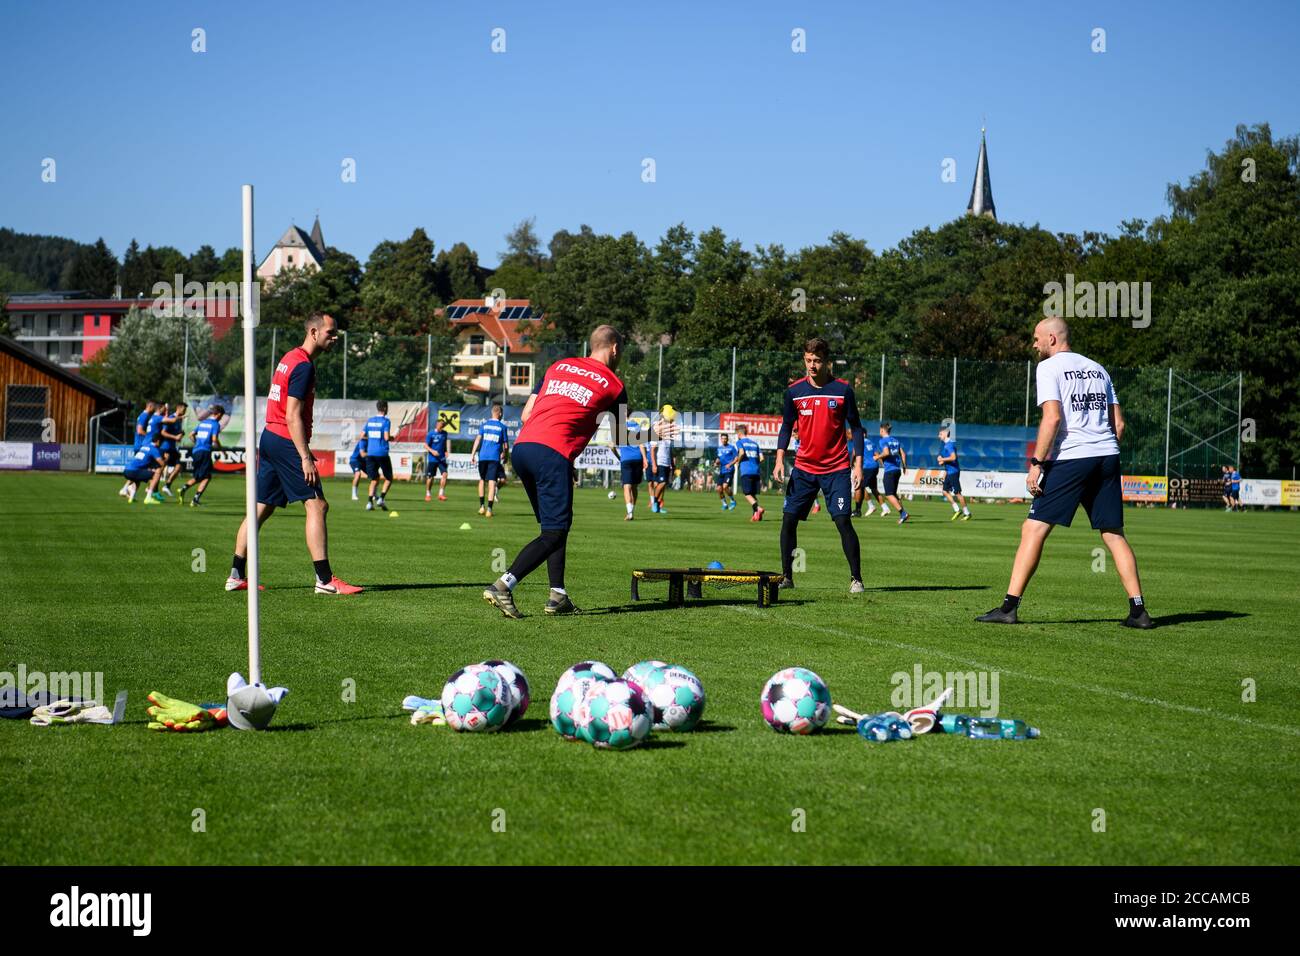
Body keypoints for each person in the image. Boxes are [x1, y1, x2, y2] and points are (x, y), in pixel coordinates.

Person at [977, 316, 1152, 628]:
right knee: (1113, 534)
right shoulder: (1099, 369)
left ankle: (1008, 607)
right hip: (1108, 455)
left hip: (1073, 458)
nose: (1034, 344)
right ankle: (1138, 611)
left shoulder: (1049, 367)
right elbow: (1120, 424)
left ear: (1052, 339)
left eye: (1036, 339)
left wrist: (1038, 464)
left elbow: (1053, 418)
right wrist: (1103, 447)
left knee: (1033, 529)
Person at [483, 325, 633, 618]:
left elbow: (527, 414)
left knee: (554, 527)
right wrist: (657, 433)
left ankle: (558, 595)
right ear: (614, 348)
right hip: (553, 454)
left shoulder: (559, 366)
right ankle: (503, 584)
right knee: (554, 532)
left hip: (524, 448)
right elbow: (623, 437)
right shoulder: (614, 384)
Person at [225, 313, 361, 596]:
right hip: (286, 440)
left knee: (261, 507)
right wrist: (305, 456)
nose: (335, 338)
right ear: (313, 332)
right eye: (330, 333)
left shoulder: (289, 358)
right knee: (317, 505)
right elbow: (292, 415)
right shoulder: (303, 366)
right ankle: (324, 580)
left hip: (270, 438)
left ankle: (236, 574)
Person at [772, 337, 866, 594]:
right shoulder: (794, 392)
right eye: (808, 360)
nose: (812, 365)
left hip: (836, 469)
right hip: (804, 469)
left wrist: (858, 464)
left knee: (843, 521)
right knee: (789, 519)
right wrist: (780, 458)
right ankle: (787, 576)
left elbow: (856, 428)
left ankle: (856, 578)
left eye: (817, 361)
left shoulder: (843, 390)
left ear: (827, 362)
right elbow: (786, 426)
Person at [178, 405, 224, 507]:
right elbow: (214, 440)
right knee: (207, 476)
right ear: (219, 414)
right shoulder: (215, 424)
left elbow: (191, 435)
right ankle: (194, 499)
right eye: (221, 417)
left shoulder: (203, 422)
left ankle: (184, 490)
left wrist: (197, 444)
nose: (221, 419)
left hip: (196, 451)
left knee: (199, 476)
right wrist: (221, 449)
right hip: (205, 452)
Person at [471, 404, 509, 517]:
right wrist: (506, 456)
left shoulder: (484, 425)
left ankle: (481, 507)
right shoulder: (502, 427)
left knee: (482, 480)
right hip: (494, 457)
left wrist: (472, 454)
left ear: (492, 412)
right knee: (492, 481)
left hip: (482, 456)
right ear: (500, 414)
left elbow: (478, 439)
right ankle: (489, 509)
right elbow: (506, 446)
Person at [120, 400, 157, 497]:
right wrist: (149, 436)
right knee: (143, 470)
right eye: (154, 407)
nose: (155, 409)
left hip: (140, 445)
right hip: (141, 445)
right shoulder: (144, 416)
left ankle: (126, 489)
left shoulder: (143, 415)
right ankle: (148, 490)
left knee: (139, 469)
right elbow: (140, 430)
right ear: (150, 406)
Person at [874, 422, 909, 523]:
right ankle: (903, 515)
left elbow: (886, 453)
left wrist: (877, 457)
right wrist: (904, 466)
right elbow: (903, 453)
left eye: (880, 430)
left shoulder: (883, 441)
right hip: (897, 470)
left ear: (882, 430)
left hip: (889, 470)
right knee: (893, 494)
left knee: (889, 495)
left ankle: (903, 513)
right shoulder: (895, 440)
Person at [613, 420, 648, 521]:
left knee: (627, 486)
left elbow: (612, 446)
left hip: (626, 460)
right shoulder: (636, 426)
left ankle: (629, 512)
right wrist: (645, 458)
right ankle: (631, 511)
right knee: (634, 487)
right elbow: (641, 444)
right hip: (638, 458)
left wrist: (619, 457)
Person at [937, 426, 972, 521]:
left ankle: (967, 513)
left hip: (953, 472)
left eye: (940, 434)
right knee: (945, 491)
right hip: (949, 472)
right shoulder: (945, 445)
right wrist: (941, 461)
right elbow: (946, 460)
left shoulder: (949, 445)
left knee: (957, 493)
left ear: (945, 434)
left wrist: (942, 459)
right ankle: (957, 510)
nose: (938, 436)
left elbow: (953, 457)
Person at [364, 401, 393, 511]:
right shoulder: (386, 421)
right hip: (382, 453)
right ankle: (381, 498)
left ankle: (369, 502)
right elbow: (386, 437)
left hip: (370, 453)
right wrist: (392, 438)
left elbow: (363, 435)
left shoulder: (370, 421)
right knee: (389, 478)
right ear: (385, 408)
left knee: (374, 479)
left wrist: (373, 438)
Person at [851, 431, 887, 518]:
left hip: (866, 467)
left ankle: (858, 510)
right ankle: (885, 507)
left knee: (859, 487)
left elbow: (854, 454)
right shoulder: (871, 442)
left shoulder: (859, 442)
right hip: (875, 466)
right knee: (873, 488)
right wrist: (883, 465)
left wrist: (852, 463)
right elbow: (877, 454)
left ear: (862, 434)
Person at [734, 423, 766, 522]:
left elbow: (742, 453)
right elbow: (762, 458)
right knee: (753, 494)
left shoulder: (740, 442)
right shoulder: (755, 443)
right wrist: (754, 463)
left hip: (746, 471)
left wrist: (738, 462)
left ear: (739, 433)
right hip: (756, 471)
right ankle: (756, 515)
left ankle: (758, 508)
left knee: (747, 494)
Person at [157, 402, 188, 497]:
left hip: (172, 448)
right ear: (178, 408)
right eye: (184, 409)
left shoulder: (179, 421)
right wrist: (175, 437)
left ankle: (167, 485)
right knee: (160, 469)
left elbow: (177, 433)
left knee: (179, 466)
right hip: (165, 447)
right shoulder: (171, 418)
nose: (185, 411)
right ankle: (152, 489)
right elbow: (163, 432)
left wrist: (181, 434)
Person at [124, 438, 166, 505]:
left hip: (126, 470)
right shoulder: (154, 449)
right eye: (161, 442)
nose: (161, 445)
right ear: (158, 441)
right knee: (157, 473)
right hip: (134, 471)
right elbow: (161, 463)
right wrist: (166, 459)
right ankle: (148, 498)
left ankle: (131, 498)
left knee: (137, 480)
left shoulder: (145, 446)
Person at [649, 420, 674, 514]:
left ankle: (658, 506)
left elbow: (670, 452)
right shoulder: (657, 437)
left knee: (663, 486)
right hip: (660, 463)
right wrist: (654, 464)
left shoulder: (669, 438)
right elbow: (652, 451)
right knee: (662, 483)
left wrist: (672, 464)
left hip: (667, 464)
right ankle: (654, 502)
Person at [424, 419, 449, 502]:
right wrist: (432, 451)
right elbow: (425, 445)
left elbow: (444, 444)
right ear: (437, 424)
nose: (442, 427)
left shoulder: (445, 434)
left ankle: (441, 494)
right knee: (430, 477)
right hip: (432, 459)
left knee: (445, 474)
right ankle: (428, 494)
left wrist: (445, 451)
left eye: (443, 425)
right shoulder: (431, 434)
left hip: (441, 459)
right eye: (441, 425)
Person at [716, 432, 738, 510]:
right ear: (721, 439)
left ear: (727, 439)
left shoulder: (732, 448)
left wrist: (730, 464)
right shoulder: (719, 448)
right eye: (723, 438)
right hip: (722, 471)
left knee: (725, 486)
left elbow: (736, 458)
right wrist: (716, 462)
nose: (724, 440)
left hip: (729, 470)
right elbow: (718, 458)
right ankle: (724, 504)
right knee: (719, 488)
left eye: (725, 438)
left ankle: (732, 501)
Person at [349, 436, 368, 501]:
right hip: (355, 460)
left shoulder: (372, 442)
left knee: (374, 475)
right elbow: (362, 454)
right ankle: (354, 495)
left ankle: (374, 495)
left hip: (363, 461)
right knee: (358, 474)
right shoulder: (362, 441)